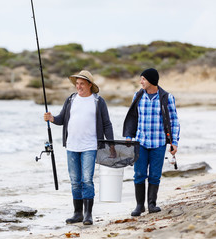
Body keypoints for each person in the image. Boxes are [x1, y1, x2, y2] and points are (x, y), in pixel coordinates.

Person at [44, 70, 114, 225]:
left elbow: (107, 124)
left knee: (87, 180)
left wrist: (111, 145)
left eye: (82, 83)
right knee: (75, 181)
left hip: (90, 146)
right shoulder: (71, 99)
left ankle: (88, 214)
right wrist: (51, 118)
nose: (78, 86)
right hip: (71, 146)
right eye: (77, 83)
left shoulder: (98, 101)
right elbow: (62, 119)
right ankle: (77, 214)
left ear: (90, 84)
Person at [123, 68, 180, 216]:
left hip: (159, 143)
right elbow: (132, 117)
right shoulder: (138, 95)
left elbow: (174, 121)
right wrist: (129, 135)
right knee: (139, 174)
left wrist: (174, 142)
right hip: (140, 142)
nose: (140, 82)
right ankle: (139, 206)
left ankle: (152, 204)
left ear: (151, 81)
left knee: (155, 175)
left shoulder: (167, 97)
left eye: (143, 79)